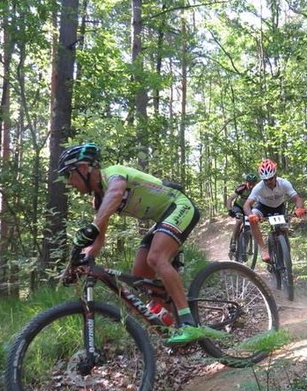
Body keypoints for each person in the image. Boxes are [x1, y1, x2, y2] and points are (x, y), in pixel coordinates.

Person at [57, 143, 201, 345]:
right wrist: (77, 262)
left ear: (83, 168)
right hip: (163, 218)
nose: (68, 182)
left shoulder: (112, 175)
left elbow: (116, 193)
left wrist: (93, 226)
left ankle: (189, 324)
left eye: (68, 175)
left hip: (179, 206)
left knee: (156, 258)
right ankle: (170, 316)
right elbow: (98, 241)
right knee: (140, 276)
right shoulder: (99, 201)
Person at [243, 158, 306, 263]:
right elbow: (246, 205)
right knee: (252, 220)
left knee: (283, 231)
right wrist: (251, 215)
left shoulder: (284, 183)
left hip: (279, 207)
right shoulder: (259, 187)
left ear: (275, 176)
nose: (268, 182)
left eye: (271, 178)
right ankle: (264, 249)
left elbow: (297, 198)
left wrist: (299, 208)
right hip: (263, 207)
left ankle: (286, 261)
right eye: (265, 180)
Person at [225, 172, 258, 258]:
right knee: (239, 221)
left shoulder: (257, 189)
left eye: (253, 184)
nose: (251, 185)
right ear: (246, 182)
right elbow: (230, 199)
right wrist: (229, 209)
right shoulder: (242, 188)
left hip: (248, 208)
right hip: (238, 207)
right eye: (249, 183)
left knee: (252, 223)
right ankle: (233, 242)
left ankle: (245, 248)